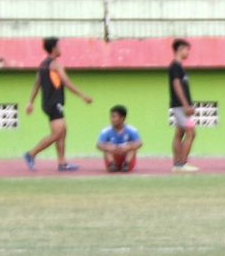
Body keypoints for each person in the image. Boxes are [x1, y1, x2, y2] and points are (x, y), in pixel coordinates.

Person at [24, 37, 92, 172]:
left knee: (62, 131)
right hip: (54, 103)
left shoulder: (43, 64)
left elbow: (37, 84)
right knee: (57, 133)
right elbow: (66, 82)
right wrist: (82, 96)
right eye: (59, 46)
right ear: (54, 48)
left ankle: (62, 163)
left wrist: (31, 102)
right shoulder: (55, 64)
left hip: (48, 103)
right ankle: (31, 154)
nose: (61, 48)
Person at [169, 39, 199, 172]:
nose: (188, 53)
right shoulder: (175, 66)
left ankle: (177, 164)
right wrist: (186, 105)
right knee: (191, 133)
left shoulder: (179, 67)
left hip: (180, 106)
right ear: (180, 49)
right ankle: (182, 164)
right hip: (180, 106)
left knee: (179, 133)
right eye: (187, 50)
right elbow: (176, 85)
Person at [96, 104, 143, 173]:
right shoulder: (106, 131)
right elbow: (99, 144)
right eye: (111, 117)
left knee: (132, 145)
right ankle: (112, 165)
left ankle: (126, 164)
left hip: (127, 157)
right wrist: (111, 148)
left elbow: (139, 143)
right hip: (113, 156)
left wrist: (127, 148)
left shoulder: (132, 130)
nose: (111, 119)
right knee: (107, 145)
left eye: (114, 117)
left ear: (122, 118)